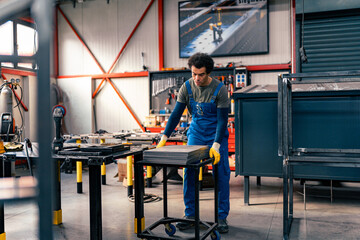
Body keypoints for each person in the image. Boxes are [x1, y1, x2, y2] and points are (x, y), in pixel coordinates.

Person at [156, 52, 230, 233]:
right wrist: (164, 137)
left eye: (201, 74)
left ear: (209, 73)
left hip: (216, 135)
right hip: (196, 133)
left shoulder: (220, 89)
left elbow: (222, 120)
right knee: (189, 172)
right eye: (193, 73)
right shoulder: (186, 87)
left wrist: (216, 145)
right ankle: (190, 214)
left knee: (221, 174)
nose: (196, 78)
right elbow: (175, 115)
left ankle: (221, 217)